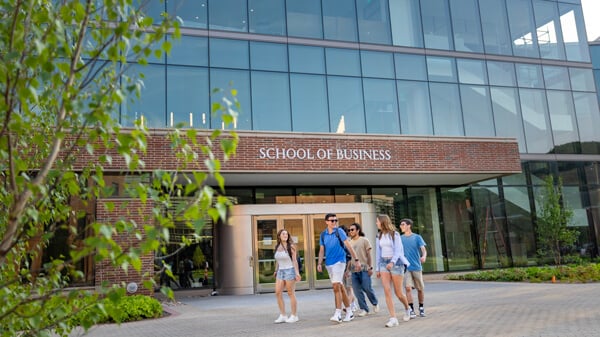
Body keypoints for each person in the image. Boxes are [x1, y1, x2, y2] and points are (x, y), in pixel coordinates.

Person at [317, 213, 362, 323]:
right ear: (326, 222)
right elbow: (322, 250)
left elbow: (348, 246)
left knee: (336, 287)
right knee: (340, 287)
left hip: (339, 261)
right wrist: (319, 263)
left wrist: (356, 260)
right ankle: (349, 311)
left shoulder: (339, 231)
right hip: (329, 263)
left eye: (335, 220)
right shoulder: (323, 235)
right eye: (332, 220)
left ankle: (337, 313)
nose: (334, 222)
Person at [375, 214, 412, 327]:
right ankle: (393, 318)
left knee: (398, 292)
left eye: (377, 221)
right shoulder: (379, 235)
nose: (376, 223)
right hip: (383, 264)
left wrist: (392, 262)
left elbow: (398, 251)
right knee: (387, 290)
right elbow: (378, 253)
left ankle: (407, 308)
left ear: (383, 222)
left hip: (396, 263)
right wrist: (377, 268)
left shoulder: (394, 234)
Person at [348, 222, 380, 316]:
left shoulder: (364, 240)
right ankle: (364, 309)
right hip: (354, 270)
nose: (351, 231)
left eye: (352, 229)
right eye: (350, 230)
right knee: (357, 291)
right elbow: (350, 258)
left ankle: (375, 303)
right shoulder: (349, 242)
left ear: (358, 230)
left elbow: (368, 255)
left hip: (364, 268)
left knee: (367, 287)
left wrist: (370, 267)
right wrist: (347, 270)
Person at [400, 218, 428, 318]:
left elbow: (423, 249)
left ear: (408, 226)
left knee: (420, 289)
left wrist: (424, 256)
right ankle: (411, 309)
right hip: (406, 268)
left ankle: (421, 307)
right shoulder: (400, 238)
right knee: (408, 288)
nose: (401, 226)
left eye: (403, 224)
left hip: (416, 266)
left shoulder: (417, 237)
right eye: (401, 225)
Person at [273, 229, 301, 323]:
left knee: (290, 293)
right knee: (277, 292)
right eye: (283, 234)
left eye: (286, 234)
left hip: (290, 270)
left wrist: (297, 273)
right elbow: (277, 260)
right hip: (280, 271)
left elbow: (294, 260)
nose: (285, 235)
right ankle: (283, 315)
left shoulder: (291, 246)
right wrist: (276, 270)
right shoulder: (277, 246)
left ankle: (294, 315)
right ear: (279, 236)